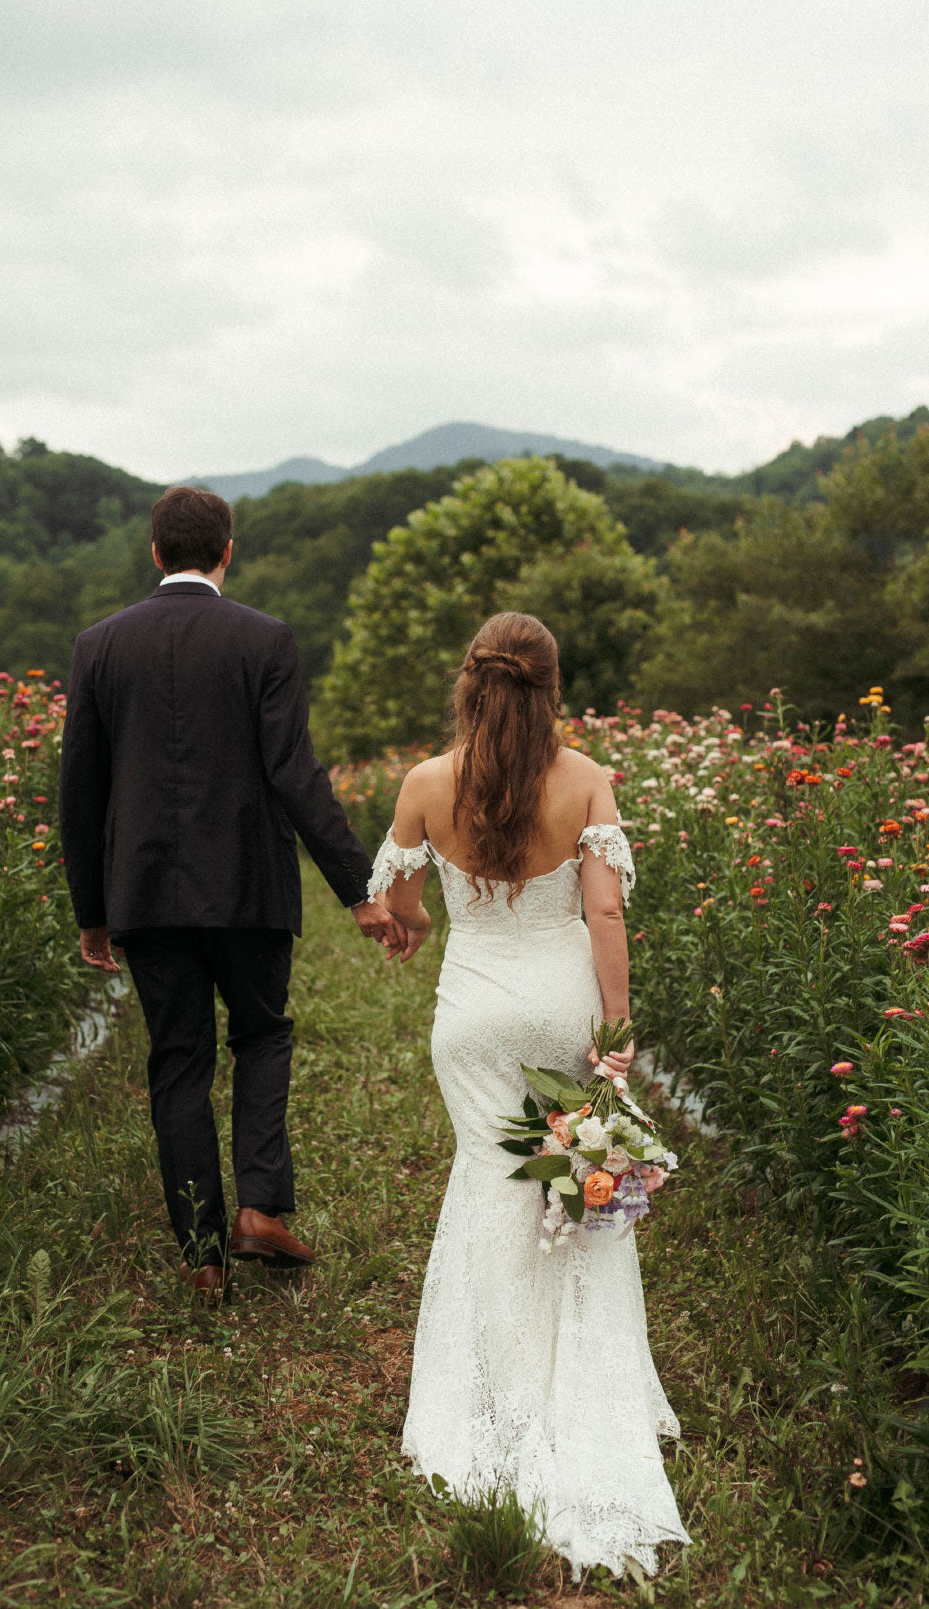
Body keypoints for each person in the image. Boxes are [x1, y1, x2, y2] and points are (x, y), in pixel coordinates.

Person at [368, 611, 690, 1580]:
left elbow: (399, 900)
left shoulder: (427, 782)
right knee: (574, 1186)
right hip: (558, 1008)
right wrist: (617, 1027)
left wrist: (416, 926)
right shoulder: (586, 777)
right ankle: (579, 1384)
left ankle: (492, 1396)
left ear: (470, 682)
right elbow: (602, 908)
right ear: (552, 687)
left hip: (470, 1015)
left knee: (488, 1181)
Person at [59, 486, 404, 1300]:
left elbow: (80, 791)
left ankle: (202, 1253)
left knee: (177, 1062)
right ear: (227, 550)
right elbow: (296, 776)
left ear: (153, 552)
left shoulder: (99, 646)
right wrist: (358, 889)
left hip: (142, 891)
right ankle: (260, 1210)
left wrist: (92, 910)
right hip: (248, 886)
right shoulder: (265, 640)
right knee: (262, 1037)